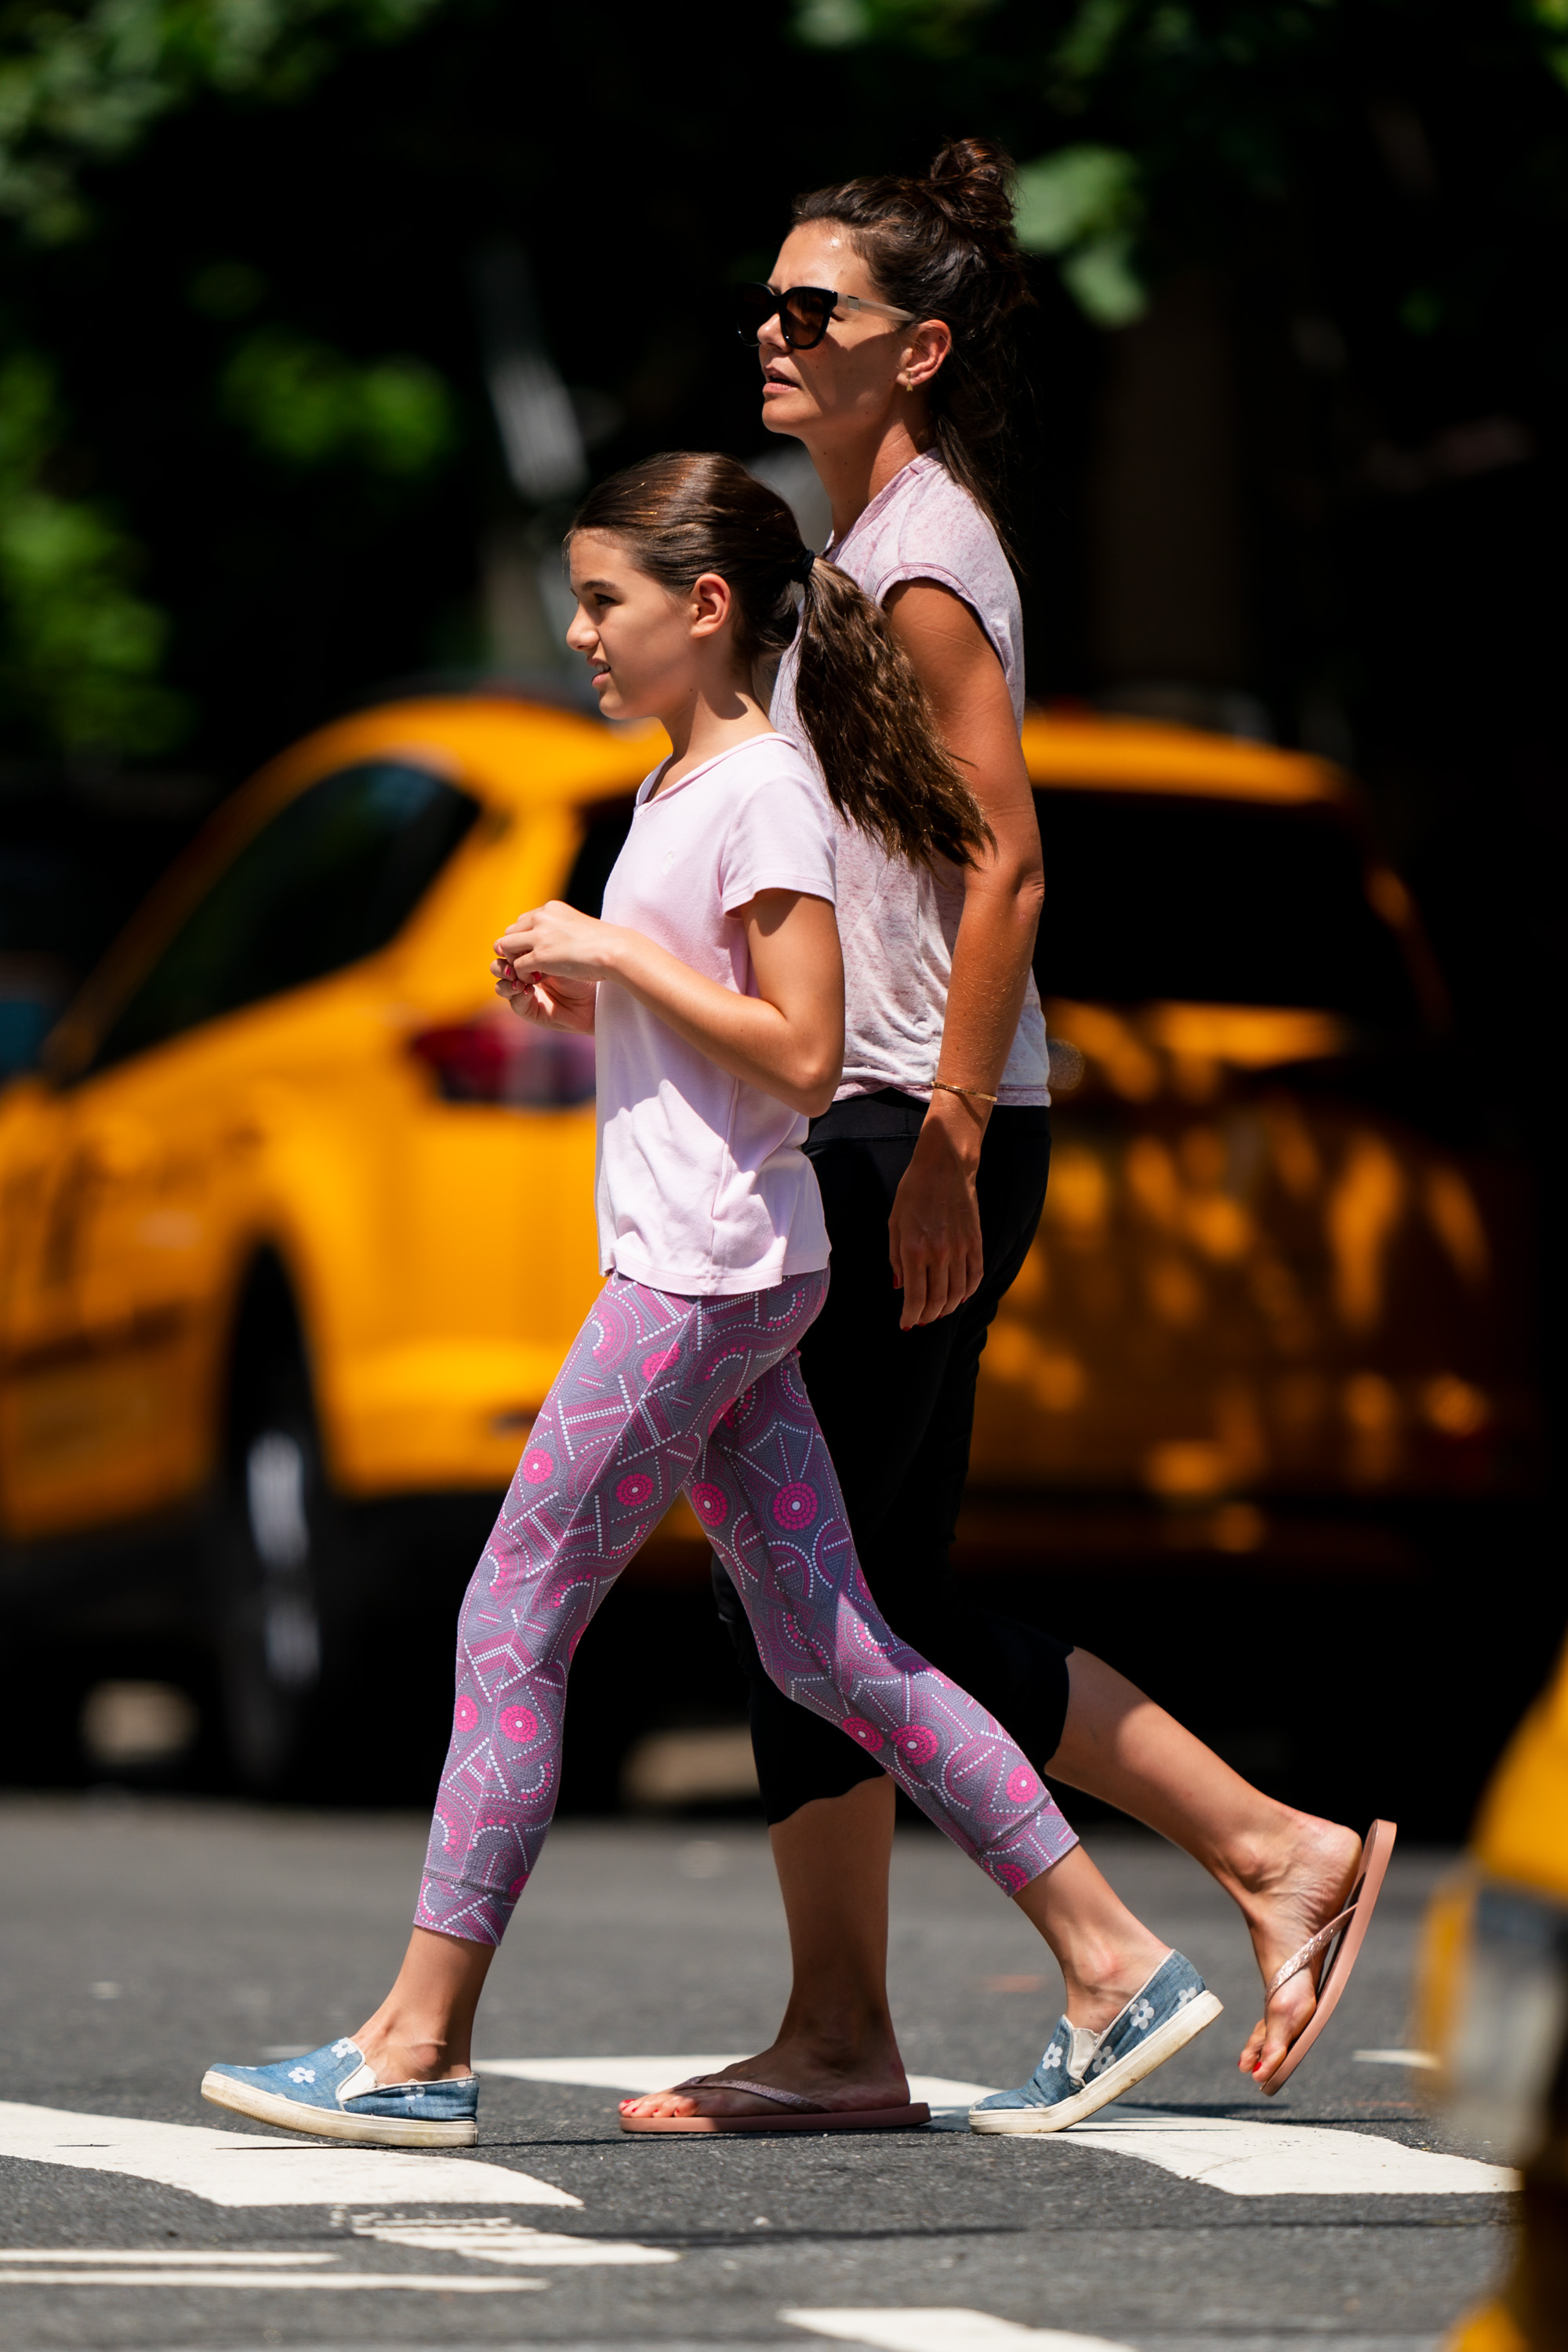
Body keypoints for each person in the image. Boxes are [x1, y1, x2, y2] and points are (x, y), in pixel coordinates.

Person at [200, 451, 1224, 2151]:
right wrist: (596, 995)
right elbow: (723, 1035)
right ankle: (1117, 1963)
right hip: (719, 1262)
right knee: (838, 1646)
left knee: (513, 1611)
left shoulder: (757, 792)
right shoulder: (687, 787)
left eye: (603, 602)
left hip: (704, 1278)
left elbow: (811, 1054)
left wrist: (612, 960)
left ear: (702, 606)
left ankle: (413, 2045)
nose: (578, 634)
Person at [622, 143, 1381, 2138]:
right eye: (768, 308)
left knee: (819, 1591)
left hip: (917, 1126)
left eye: (817, 315)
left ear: (918, 349)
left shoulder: (926, 557)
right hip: (896, 1116)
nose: (772, 340)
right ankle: (876, 2018)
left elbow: (1008, 865)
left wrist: (947, 1129)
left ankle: (1240, 1866)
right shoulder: (871, 547)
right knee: (838, 1584)